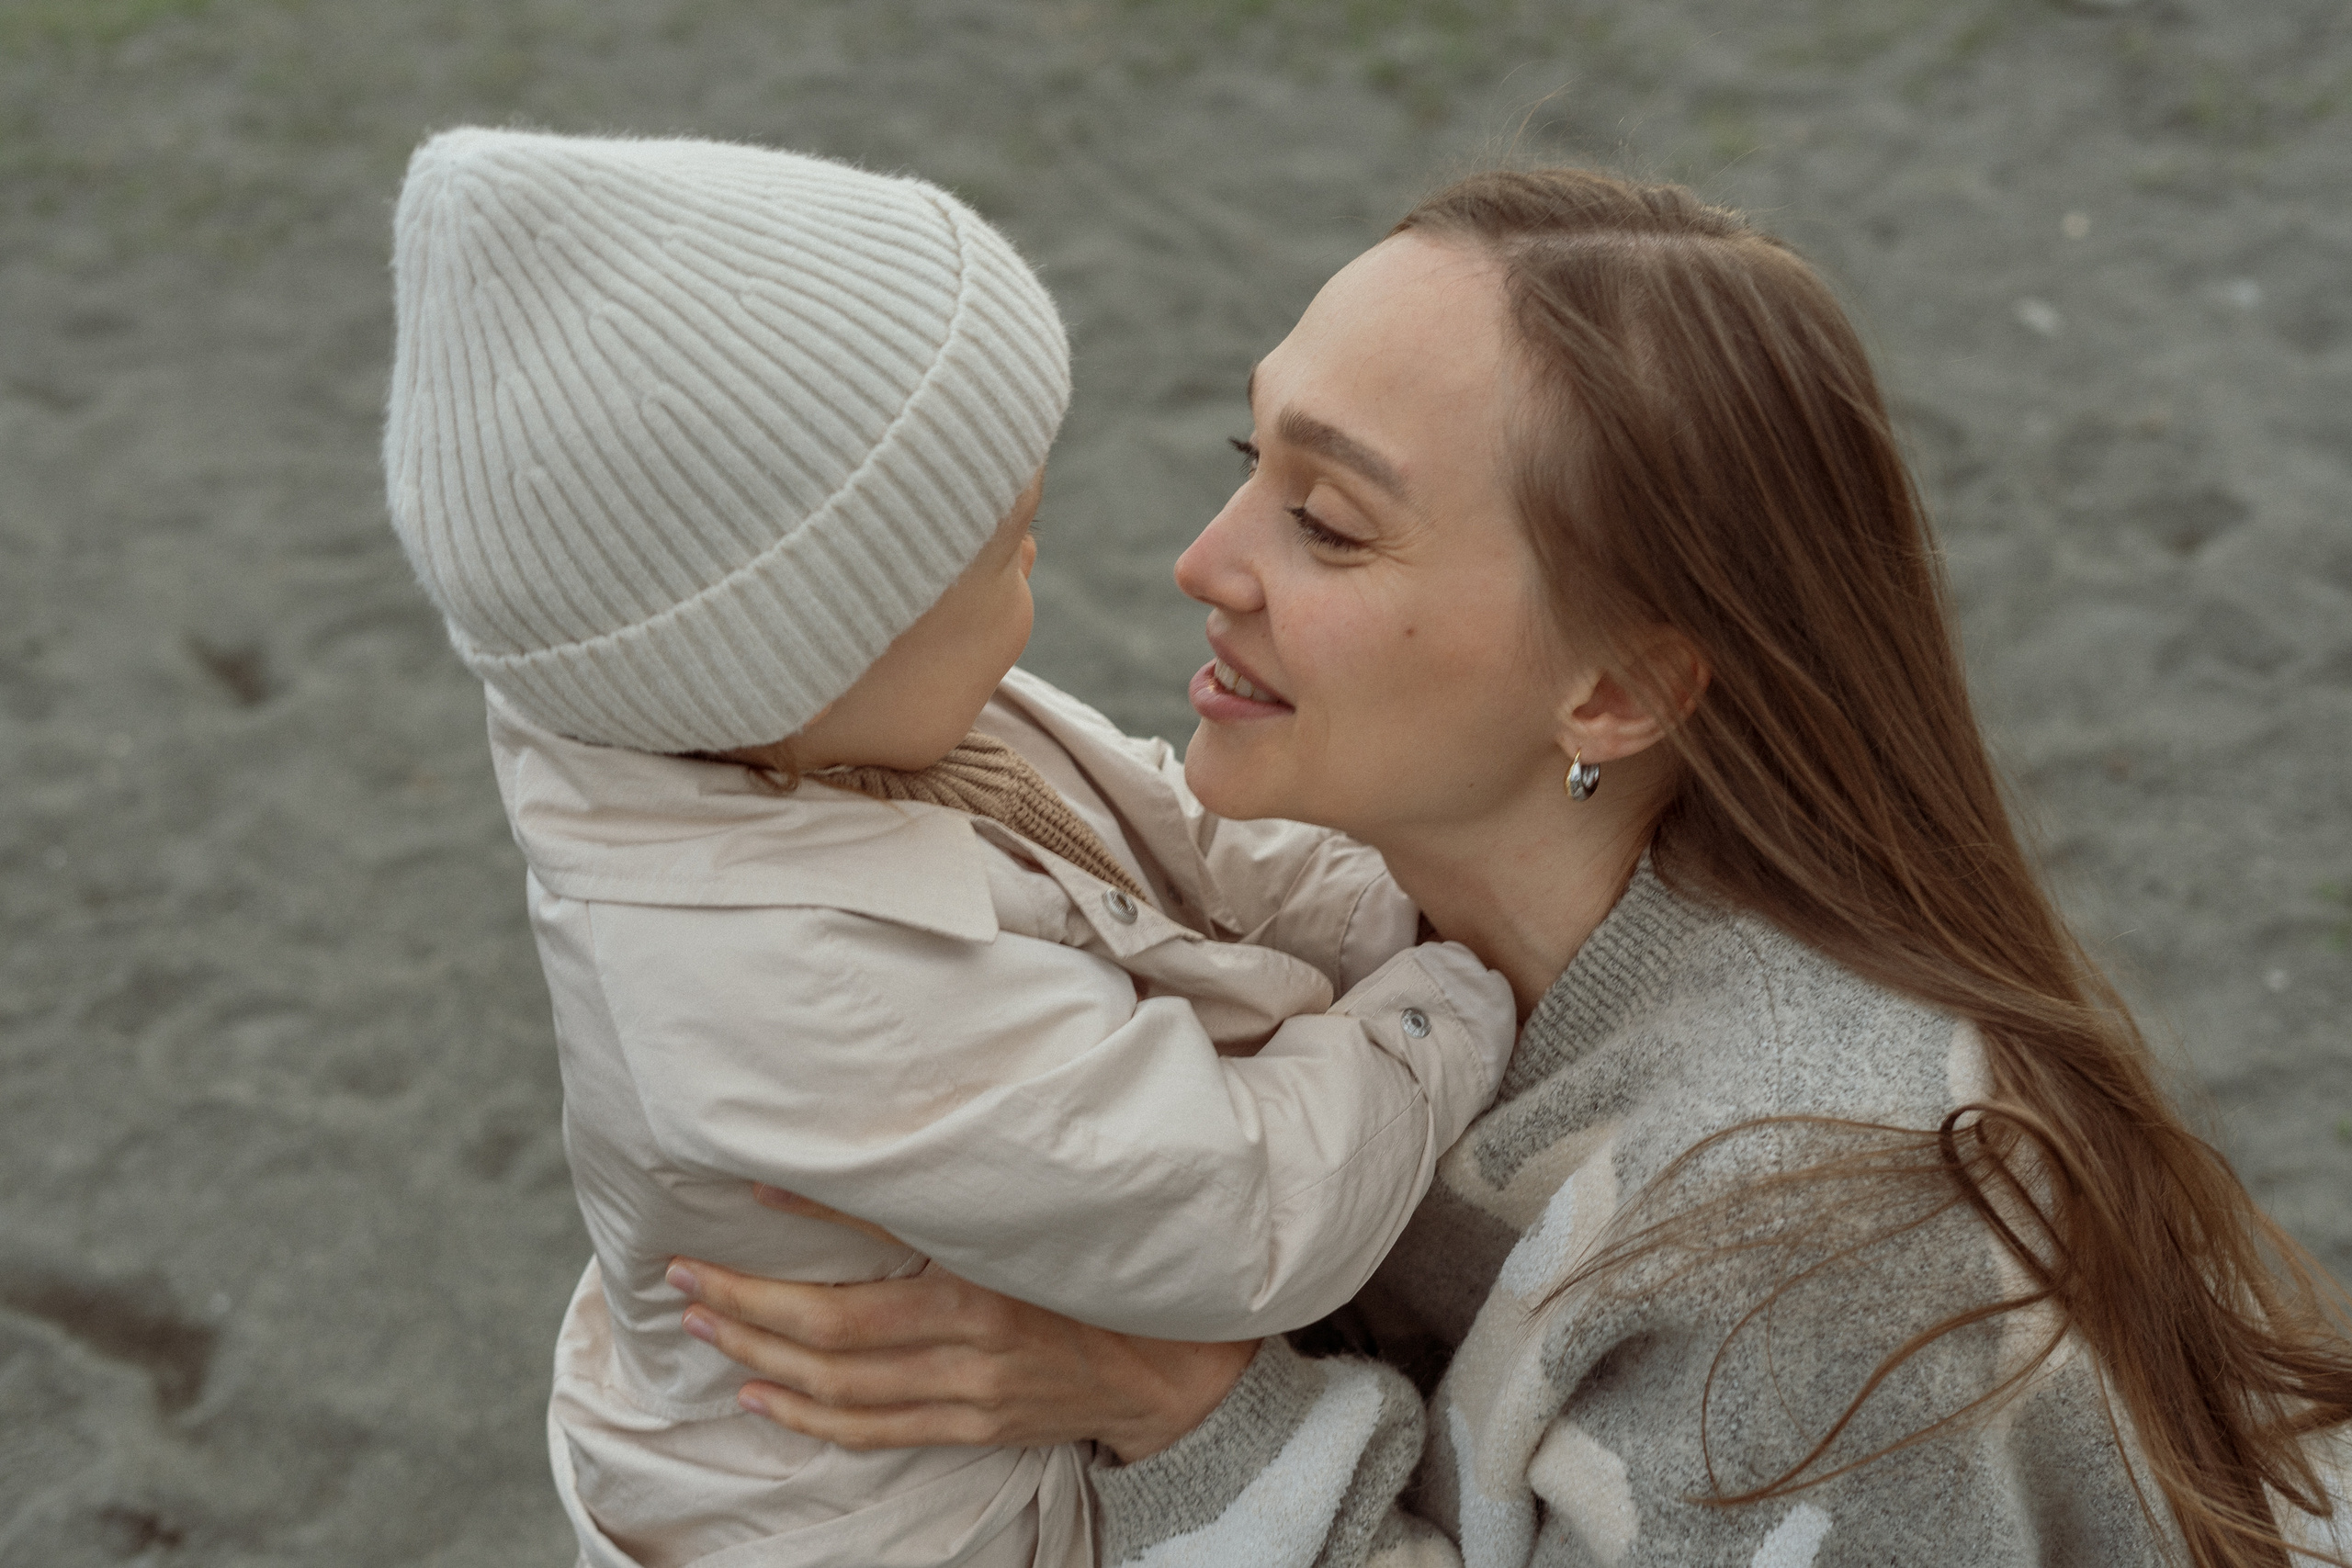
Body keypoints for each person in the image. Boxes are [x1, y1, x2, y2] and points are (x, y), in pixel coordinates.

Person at [671, 169, 2352, 1567]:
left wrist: (1185, 1409)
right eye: (1248, 464)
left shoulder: (1816, 1231)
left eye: (1329, 523)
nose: (1204, 563)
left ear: (1614, 691)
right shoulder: (1327, 916)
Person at [380, 129, 1521, 1568]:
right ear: (798, 649)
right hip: (927, 1524)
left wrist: (1376, 897)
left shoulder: (799, 726)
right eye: (1000, 553)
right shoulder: (796, 988)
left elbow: (1149, 833)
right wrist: (1443, 1003)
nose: (1038, 562)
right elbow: (1238, 1206)